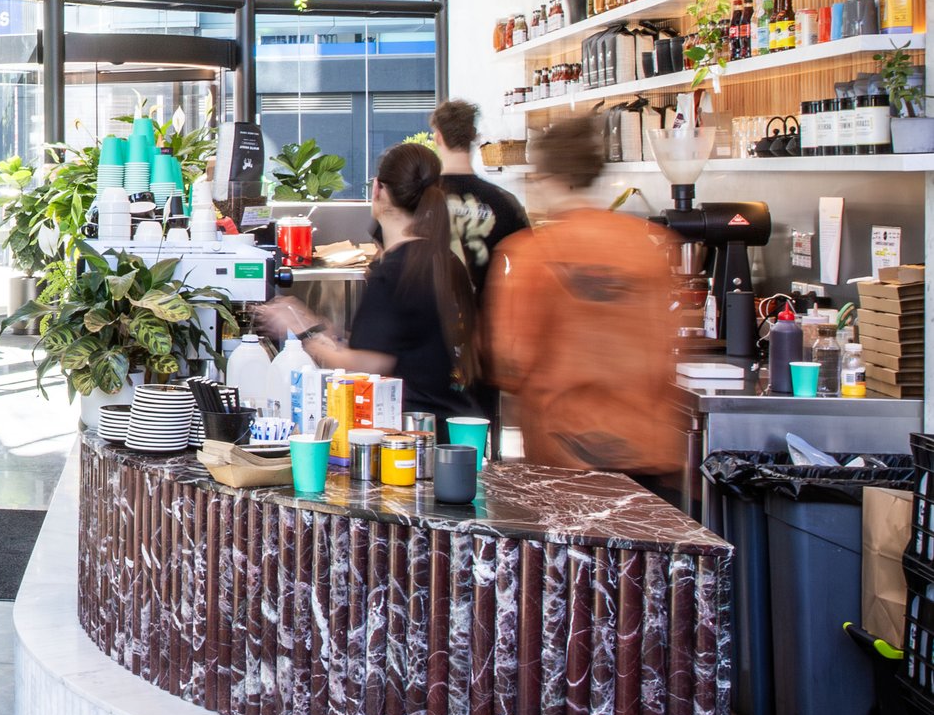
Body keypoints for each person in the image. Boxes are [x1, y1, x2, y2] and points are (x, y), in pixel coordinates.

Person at [486, 115, 685, 500]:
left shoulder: (530, 255)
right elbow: (666, 349)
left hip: (566, 458)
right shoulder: (649, 246)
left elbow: (510, 363)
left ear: (545, 177)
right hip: (646, 453)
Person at [257, 141, 477, 423]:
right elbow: (405, 347)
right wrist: (317, 325)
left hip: (409, 431)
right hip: (447, 418)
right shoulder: (442, 259)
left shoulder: (396, 272)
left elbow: (369, 366)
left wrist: (302, 333)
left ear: (378, 190)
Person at [429, 99, 529, 293]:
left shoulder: (415, 196)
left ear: (438, 138)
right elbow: (529, 261)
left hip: (426, 318)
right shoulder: (504, 201)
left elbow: (387, 250)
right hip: (483, 317)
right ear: (474, 137)